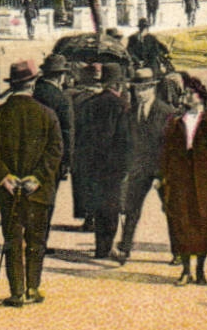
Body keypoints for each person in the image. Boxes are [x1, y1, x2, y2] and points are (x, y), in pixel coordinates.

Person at [0, 62, 64, 306]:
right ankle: (33, 288)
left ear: (11, 86)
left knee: (12, 239)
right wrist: (37, 177)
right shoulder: (48, 114)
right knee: (37, 241)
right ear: (33, 84)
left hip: (9, 191)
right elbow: (56, 150)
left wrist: (4, 176)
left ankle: (16, 291)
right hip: (39, 190)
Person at [159, 76, 207, 285]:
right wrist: (163, 175)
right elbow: (166, 149)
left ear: (201, 96)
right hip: (181, 177)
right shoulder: (176, 120)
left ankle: (200, 270)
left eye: (191, 93)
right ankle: (185, 270)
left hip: (206, 178)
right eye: (186, 93)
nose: (187, 97)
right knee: (183, 221)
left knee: (203, 222)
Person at [116, 67, 176, 263]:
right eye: (136, 89)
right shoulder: (130, 112)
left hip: (161, 170)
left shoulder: (167, 113)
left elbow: (170, 147)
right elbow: (125, 142)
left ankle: (179, 251)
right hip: (138, 169)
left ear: (153, 89)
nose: (140, 93)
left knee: (170, 209)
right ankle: (124, 248)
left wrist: (163, 174)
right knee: (131, 209)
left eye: (144, 89)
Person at [74, 63, 132, 259]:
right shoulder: (122, 106)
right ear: (117, 84)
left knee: (98, 206)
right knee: (112, 207)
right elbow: (124, 139)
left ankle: (100, 246)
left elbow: (81, 136)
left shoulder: (88, 104)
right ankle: (107, 247)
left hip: (92, 164)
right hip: (113, 165)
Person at [32, 55, 76, 227]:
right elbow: (67, 131)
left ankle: (27, 240)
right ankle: (39, 242)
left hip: (29, 155)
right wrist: (67, 161)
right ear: (60, 76)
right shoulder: (61, 98)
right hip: (52, 158)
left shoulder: (33, 93)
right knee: (46, 200)